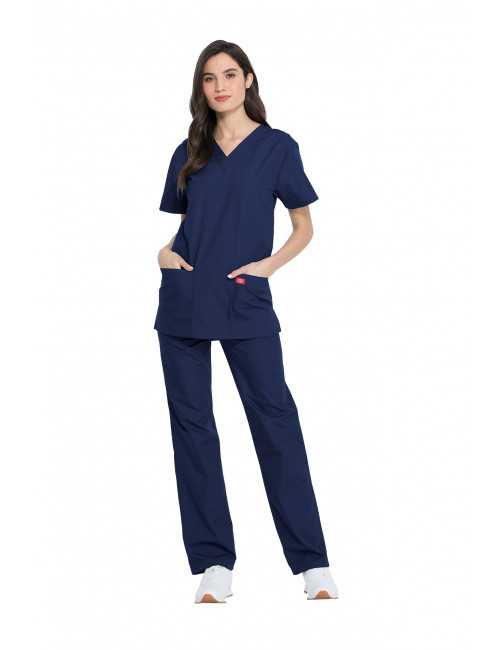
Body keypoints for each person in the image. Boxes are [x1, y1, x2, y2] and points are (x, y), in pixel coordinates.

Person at [154, 40, 339, 603]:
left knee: (276, 422)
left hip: (243, 297)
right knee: (193, 430)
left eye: (230, 75)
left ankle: (312, 564)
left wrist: (269, 267)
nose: (220, 86)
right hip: (184, 299)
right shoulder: (190, 148)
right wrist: (164, 253)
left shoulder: (277, 148)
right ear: (201, 88)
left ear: (249, 80)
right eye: (209, 78)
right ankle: (214, 564)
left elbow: (303, 227)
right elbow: (189, 226)